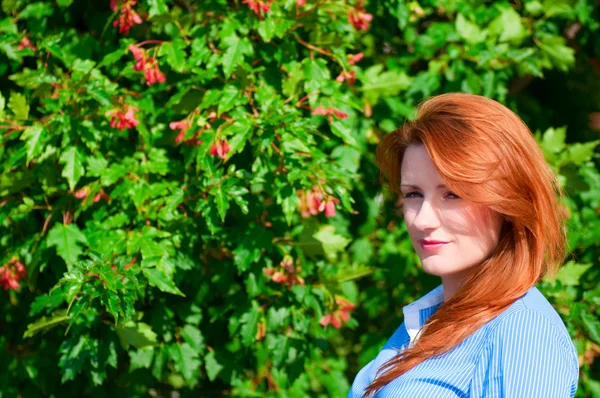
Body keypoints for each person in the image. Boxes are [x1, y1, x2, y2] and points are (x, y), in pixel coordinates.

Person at [347, 93, 579, 397]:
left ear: (507, 204)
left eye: (452, 195)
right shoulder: (423, 321)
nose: (422, 220)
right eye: (414, 194)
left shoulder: (523, 332)